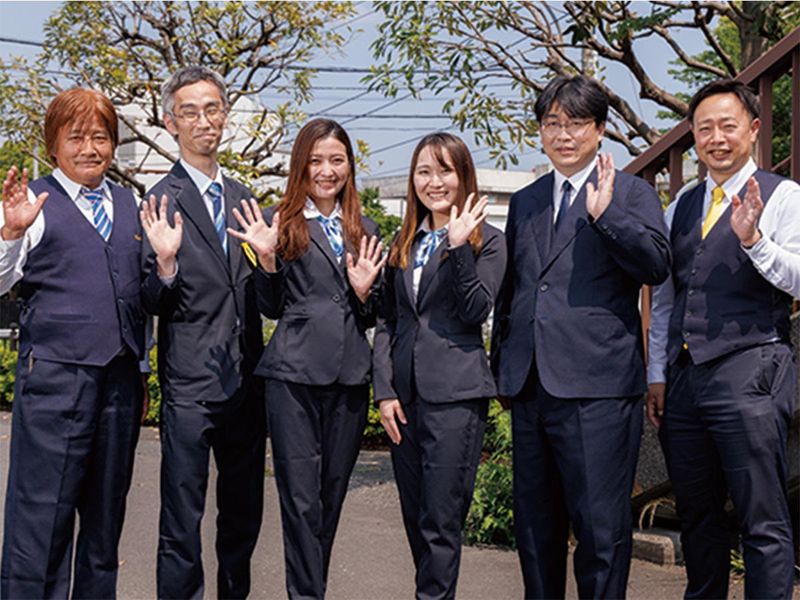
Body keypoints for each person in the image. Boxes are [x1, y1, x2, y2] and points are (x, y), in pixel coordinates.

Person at [491, 74, 671, 599]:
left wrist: (606, 214)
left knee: (600, 528)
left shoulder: (631, 192)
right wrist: (503, 365)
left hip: (598, 389)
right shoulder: (526, 201)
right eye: (552, 123)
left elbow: (656, 266)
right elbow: (516, 289)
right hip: (531, 387)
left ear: (600, 129)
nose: (563, 134)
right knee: (535, 527)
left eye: (575, 123)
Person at [646, 79, 800, 599]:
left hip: (751, 367)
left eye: (727, 126)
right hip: (686, 379)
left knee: (762, 516)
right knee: (697, 515)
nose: (716, 138)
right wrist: (658, 373)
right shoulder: (682, 205)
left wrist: (754, 240)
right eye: (704, 128)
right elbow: (665, 298)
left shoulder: (783, 196)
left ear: (753, 130)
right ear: (693, 135)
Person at [229, 118, 385, 599]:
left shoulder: (366, 228)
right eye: (316, 160)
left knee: (330, 498)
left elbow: (374, 312)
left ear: (349, 167)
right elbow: (270, 306)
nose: (326, 170)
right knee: (300, 501)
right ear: (301, 165)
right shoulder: (277, 222)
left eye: (336, 160)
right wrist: (267, 260)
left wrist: (365, 292)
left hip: (349, 378)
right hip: (292, 377)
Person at [0, 88, 146, 599]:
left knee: (105, 524)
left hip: (120, 381)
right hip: (55, 381)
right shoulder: (33, 203)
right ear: (53, 145)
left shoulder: (130, 204)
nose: (89, 148)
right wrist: (10, 235)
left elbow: (144, 291)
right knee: (40, 521)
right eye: (76, 137)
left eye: (100, 137)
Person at [139, 65, 266, 599]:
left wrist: (270, 261)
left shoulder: (245, 198)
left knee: (242, 519)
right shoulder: (159, 200)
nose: (203, 120)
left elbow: (266, 295)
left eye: (212, 109)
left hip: (247, 384)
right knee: (181, 523)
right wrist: (166, 265)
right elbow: (149, 300)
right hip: (190, 385)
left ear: (225, 116)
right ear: (171, 123)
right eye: (189, 111)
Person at [372, 132, 506, 599]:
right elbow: (389, 320)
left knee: (441, 520)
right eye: (424, 171)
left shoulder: (490, 241)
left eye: (445, 170)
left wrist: (459, 247)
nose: (434, 182)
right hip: (405, 399)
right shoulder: (403, 241)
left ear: (463, 175)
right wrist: (384, 391)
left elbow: (476, 310)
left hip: (455, 396)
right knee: (415, 518)